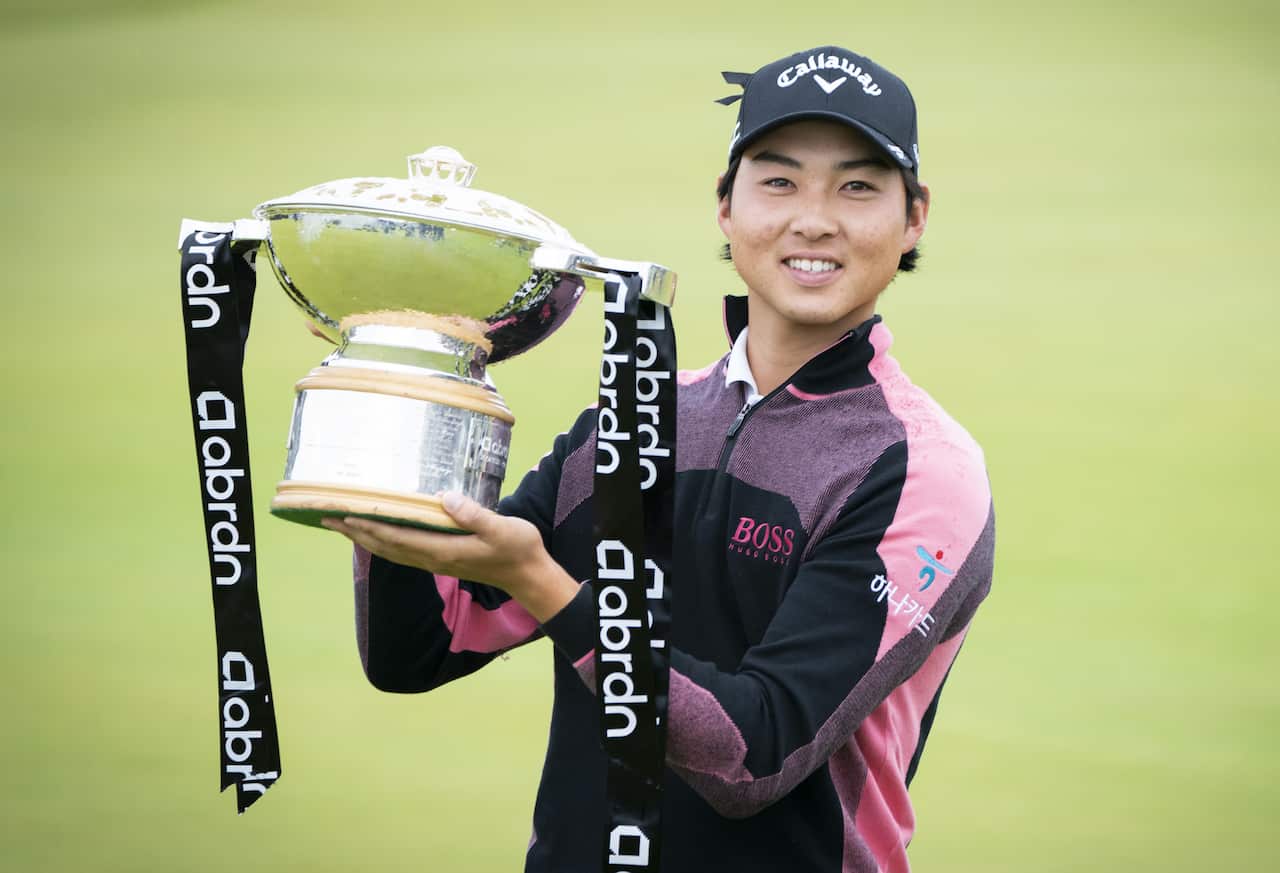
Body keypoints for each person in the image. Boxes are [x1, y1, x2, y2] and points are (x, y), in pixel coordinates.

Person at [323, 45, 995, 873]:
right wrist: (404, 429)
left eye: (857, 187)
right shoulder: (639, 415)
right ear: (725, 206)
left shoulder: (921, 469)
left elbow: (754, 753)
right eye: (778, 181)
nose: (814, 219)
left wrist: (544, 584)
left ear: (914, 216)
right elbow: (424, 645)